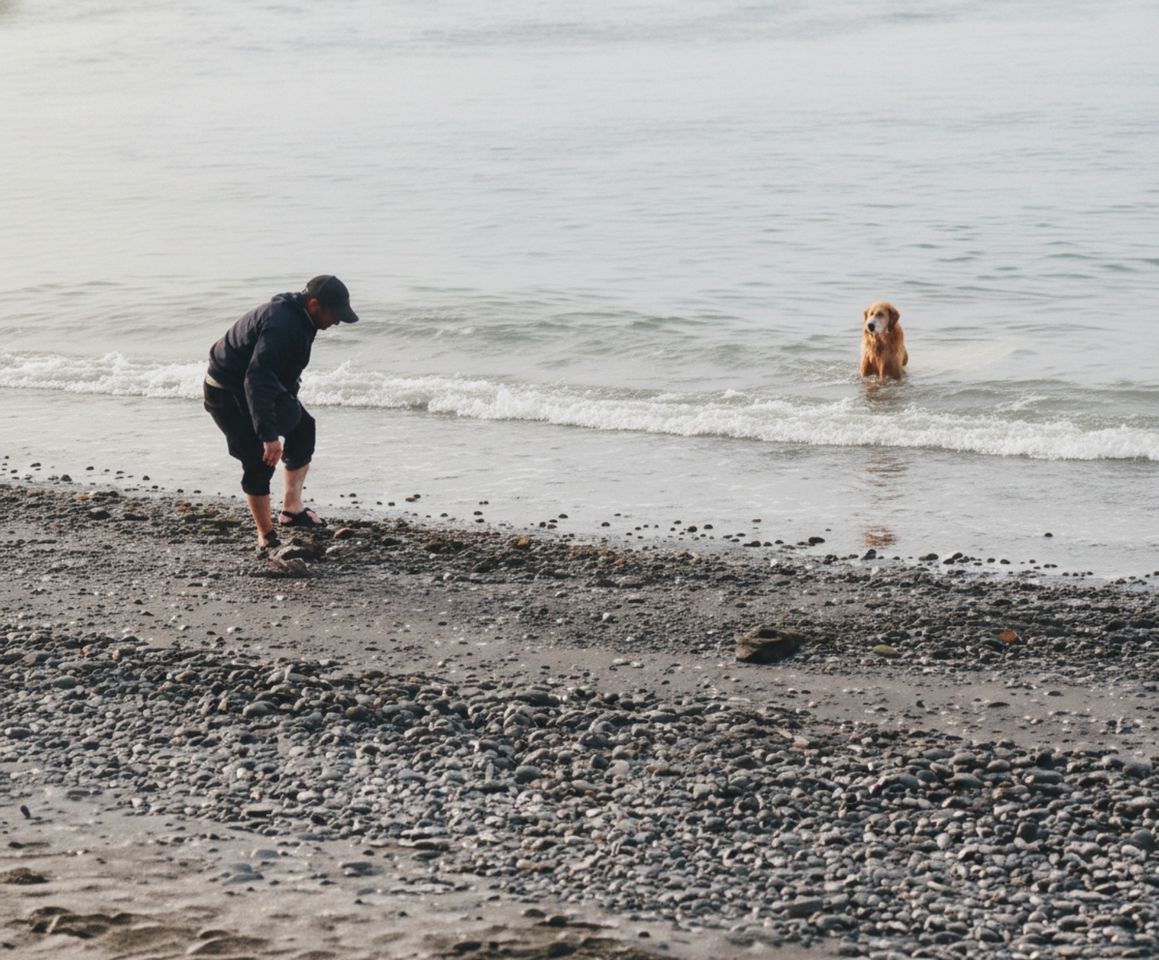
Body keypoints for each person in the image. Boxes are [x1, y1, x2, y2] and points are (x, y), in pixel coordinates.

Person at [204, 275, 359, 551]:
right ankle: (266, 536)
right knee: (259, 457)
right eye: (334, 314)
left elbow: (282, 373)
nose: (336, 322)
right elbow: (257, 378)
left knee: (303, 427)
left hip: (257, 386)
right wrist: (269, 435)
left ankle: (292, 510)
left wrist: (287, 407)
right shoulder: (283, 325)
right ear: (314, 304)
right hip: (227, 391)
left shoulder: (302, 318)